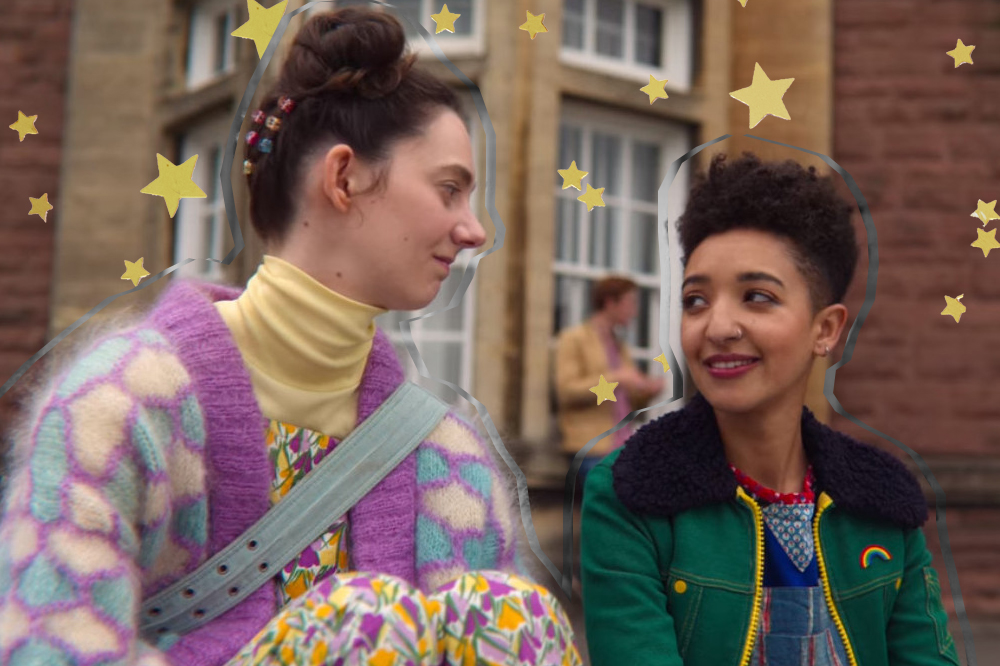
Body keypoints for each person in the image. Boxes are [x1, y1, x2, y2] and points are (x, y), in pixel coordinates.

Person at [0, 8, 581, 666]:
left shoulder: (448, 455)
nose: (475, 230)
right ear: (343, 178)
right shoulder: (112, 410)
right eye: (450, 189)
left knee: (514, 612)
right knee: (364, 621)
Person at [580, 152, 960, 666]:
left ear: (826, 330)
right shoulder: (630, 495)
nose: (717, 327)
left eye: (756, 296)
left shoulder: (884, 504)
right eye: (696, 300)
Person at [554, 276, 665, 488]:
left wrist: (648, 390)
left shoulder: (618, 345)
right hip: (592, 447)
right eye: (630, 302)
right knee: (609, 510)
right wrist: (618, 377)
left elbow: (628, 402)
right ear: (609, 303)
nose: (634, 310)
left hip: (622, 446)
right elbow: (566, 391)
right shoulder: (573, 339)